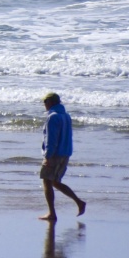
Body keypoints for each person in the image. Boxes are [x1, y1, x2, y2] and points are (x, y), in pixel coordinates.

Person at [38, 93, 86, 221]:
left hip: (54, 154)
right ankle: (79, 202)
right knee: (54, 182)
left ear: (49, 102)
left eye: (44, 102)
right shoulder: (66, 116)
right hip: (65, 152)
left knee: (47, 181)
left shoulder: (52, 117)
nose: (44, 105)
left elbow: (51, 140)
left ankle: (52, 213)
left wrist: (48, 156)